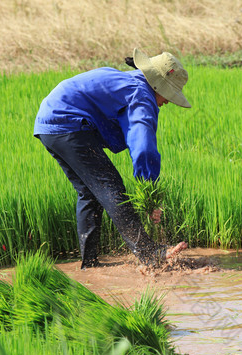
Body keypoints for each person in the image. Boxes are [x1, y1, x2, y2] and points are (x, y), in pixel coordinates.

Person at [34, 48, 191, 269]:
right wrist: (150, 195)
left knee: (89, 193)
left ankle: (89, 264)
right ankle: (151, 254)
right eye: (169, 94)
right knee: (112, 188)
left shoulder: (127, 82)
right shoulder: (141, 96)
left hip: (49, 125)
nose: (167, 102)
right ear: (158, 85)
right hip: (68, 123)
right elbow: (144, 148)